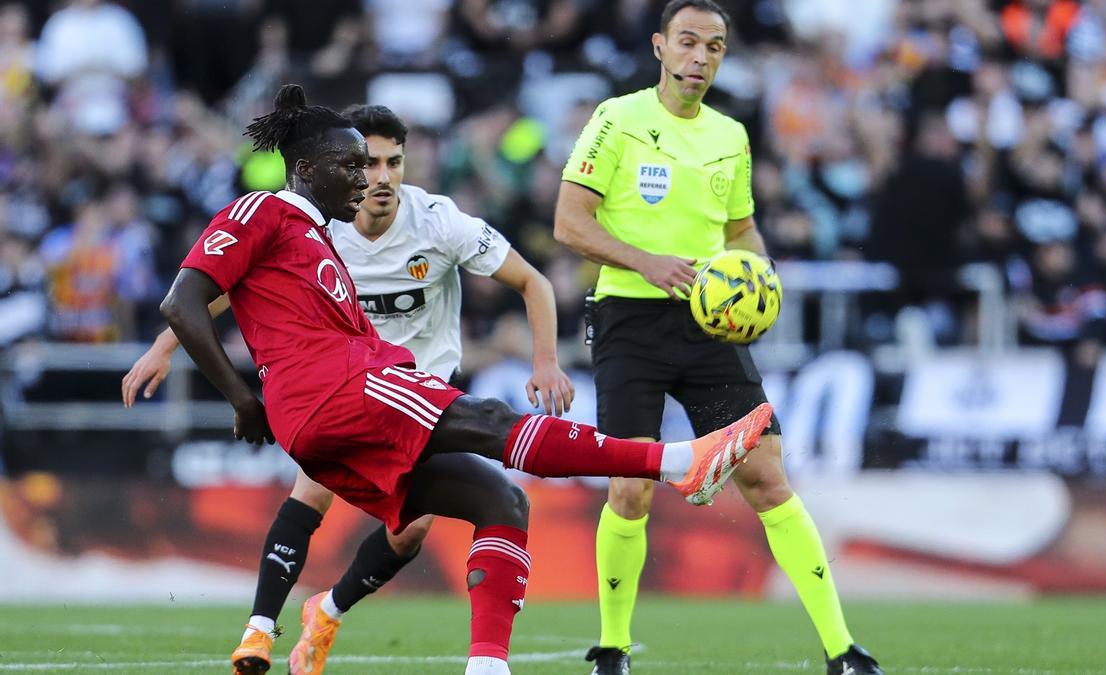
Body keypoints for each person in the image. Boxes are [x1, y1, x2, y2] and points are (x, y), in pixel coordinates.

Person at [159, 83, 771, 675]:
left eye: (382, 163)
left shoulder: (360, 230)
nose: (368, 177)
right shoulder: (267, 208)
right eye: (352, 164)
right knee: (489, 423)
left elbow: (246, 296)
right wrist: (237, 394)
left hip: (350, 399)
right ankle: (678, 460)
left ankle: (480, 664)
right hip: (344, 391)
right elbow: (189, 296)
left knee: (499, 501)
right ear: (308, 167)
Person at [123, 103, 577, 674]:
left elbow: (532, 281)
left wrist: (545, 362)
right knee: (309, 491)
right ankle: (258, 632)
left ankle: (328, 610)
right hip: (341, 386)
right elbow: (222, 282)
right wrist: (164, 346)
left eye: (393, 162)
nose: (381, 176)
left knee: (408, 536)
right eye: (369, 162)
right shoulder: (319, 223)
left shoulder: (439, 222)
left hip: (422, 391)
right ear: (346, 166)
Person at [552, 2, 882, 674]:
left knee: (766, 474)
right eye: (689, 42)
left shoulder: (731, 133)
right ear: (659, 47)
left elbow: (740, 231)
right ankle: (612, 648)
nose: (701, 57)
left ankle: (843, 649)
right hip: (630, 319)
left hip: (709, 324)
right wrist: (647, 263)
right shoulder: (617, 119)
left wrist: (759, 271)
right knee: (629, 490)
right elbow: (568, 221)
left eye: (715, 47)